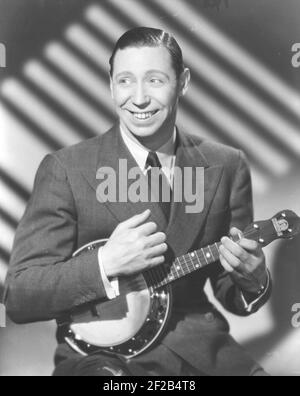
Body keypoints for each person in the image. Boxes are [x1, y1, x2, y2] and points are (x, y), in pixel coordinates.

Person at [4, 27, 271, 376]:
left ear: (183, 82)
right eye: (126, 81)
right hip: (103, 361)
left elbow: (230, 290)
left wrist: (254, 279)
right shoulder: (66, 169)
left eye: (156, 80)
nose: (139, 98)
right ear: (111, 83)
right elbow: (20, 296)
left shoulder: (227, 165)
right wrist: (104, 263)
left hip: (203, 352)